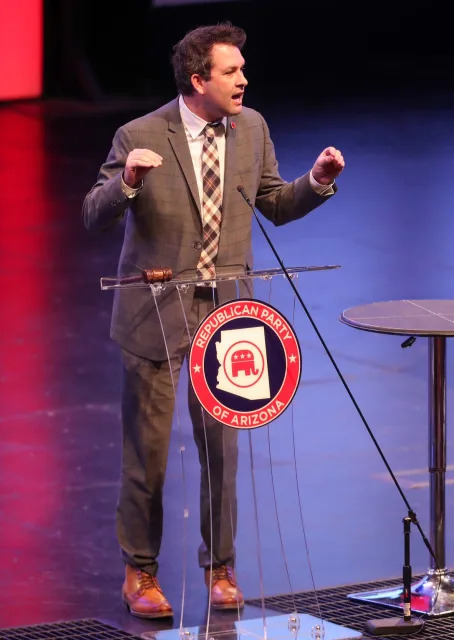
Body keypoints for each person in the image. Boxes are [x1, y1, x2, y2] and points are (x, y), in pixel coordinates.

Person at [82, 22, 344, 619]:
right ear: (198, 80)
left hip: (229, 316)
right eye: (232, 71)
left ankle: (220, 567)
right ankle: (141, 572)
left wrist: (318, 183)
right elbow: (93, 214)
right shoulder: (140, 133)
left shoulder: (251, 129)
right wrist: (127, 182)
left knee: (221, 450)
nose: (244, 80)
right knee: (146, 453)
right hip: (155, 313)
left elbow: (274, 202)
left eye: (242, 70)